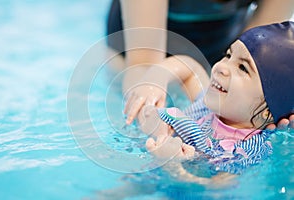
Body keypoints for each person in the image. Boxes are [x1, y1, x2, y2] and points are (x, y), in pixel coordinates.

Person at [136, 21, 294, 185]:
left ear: (267, 111)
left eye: (242, 68)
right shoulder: (206, 106)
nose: (221, 67)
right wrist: (157, 77)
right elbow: (190, 70)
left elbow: (215, 189)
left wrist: (171, 165)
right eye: (228, 55)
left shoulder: (248, 150)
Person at [106, 0, 294, 130]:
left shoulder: (226, 65)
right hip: (135, 52)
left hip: (224, 47)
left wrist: (278, 106)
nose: (221, 68)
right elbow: (143, 64)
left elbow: (261, 57)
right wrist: (150, 118)